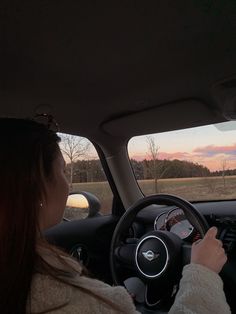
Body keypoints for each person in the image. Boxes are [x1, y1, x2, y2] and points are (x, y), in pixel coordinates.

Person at [0, 117, 230, 314]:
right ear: (37, 187)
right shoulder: (68, 301)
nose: (68, 183)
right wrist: (203, 272)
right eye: (62, 170)